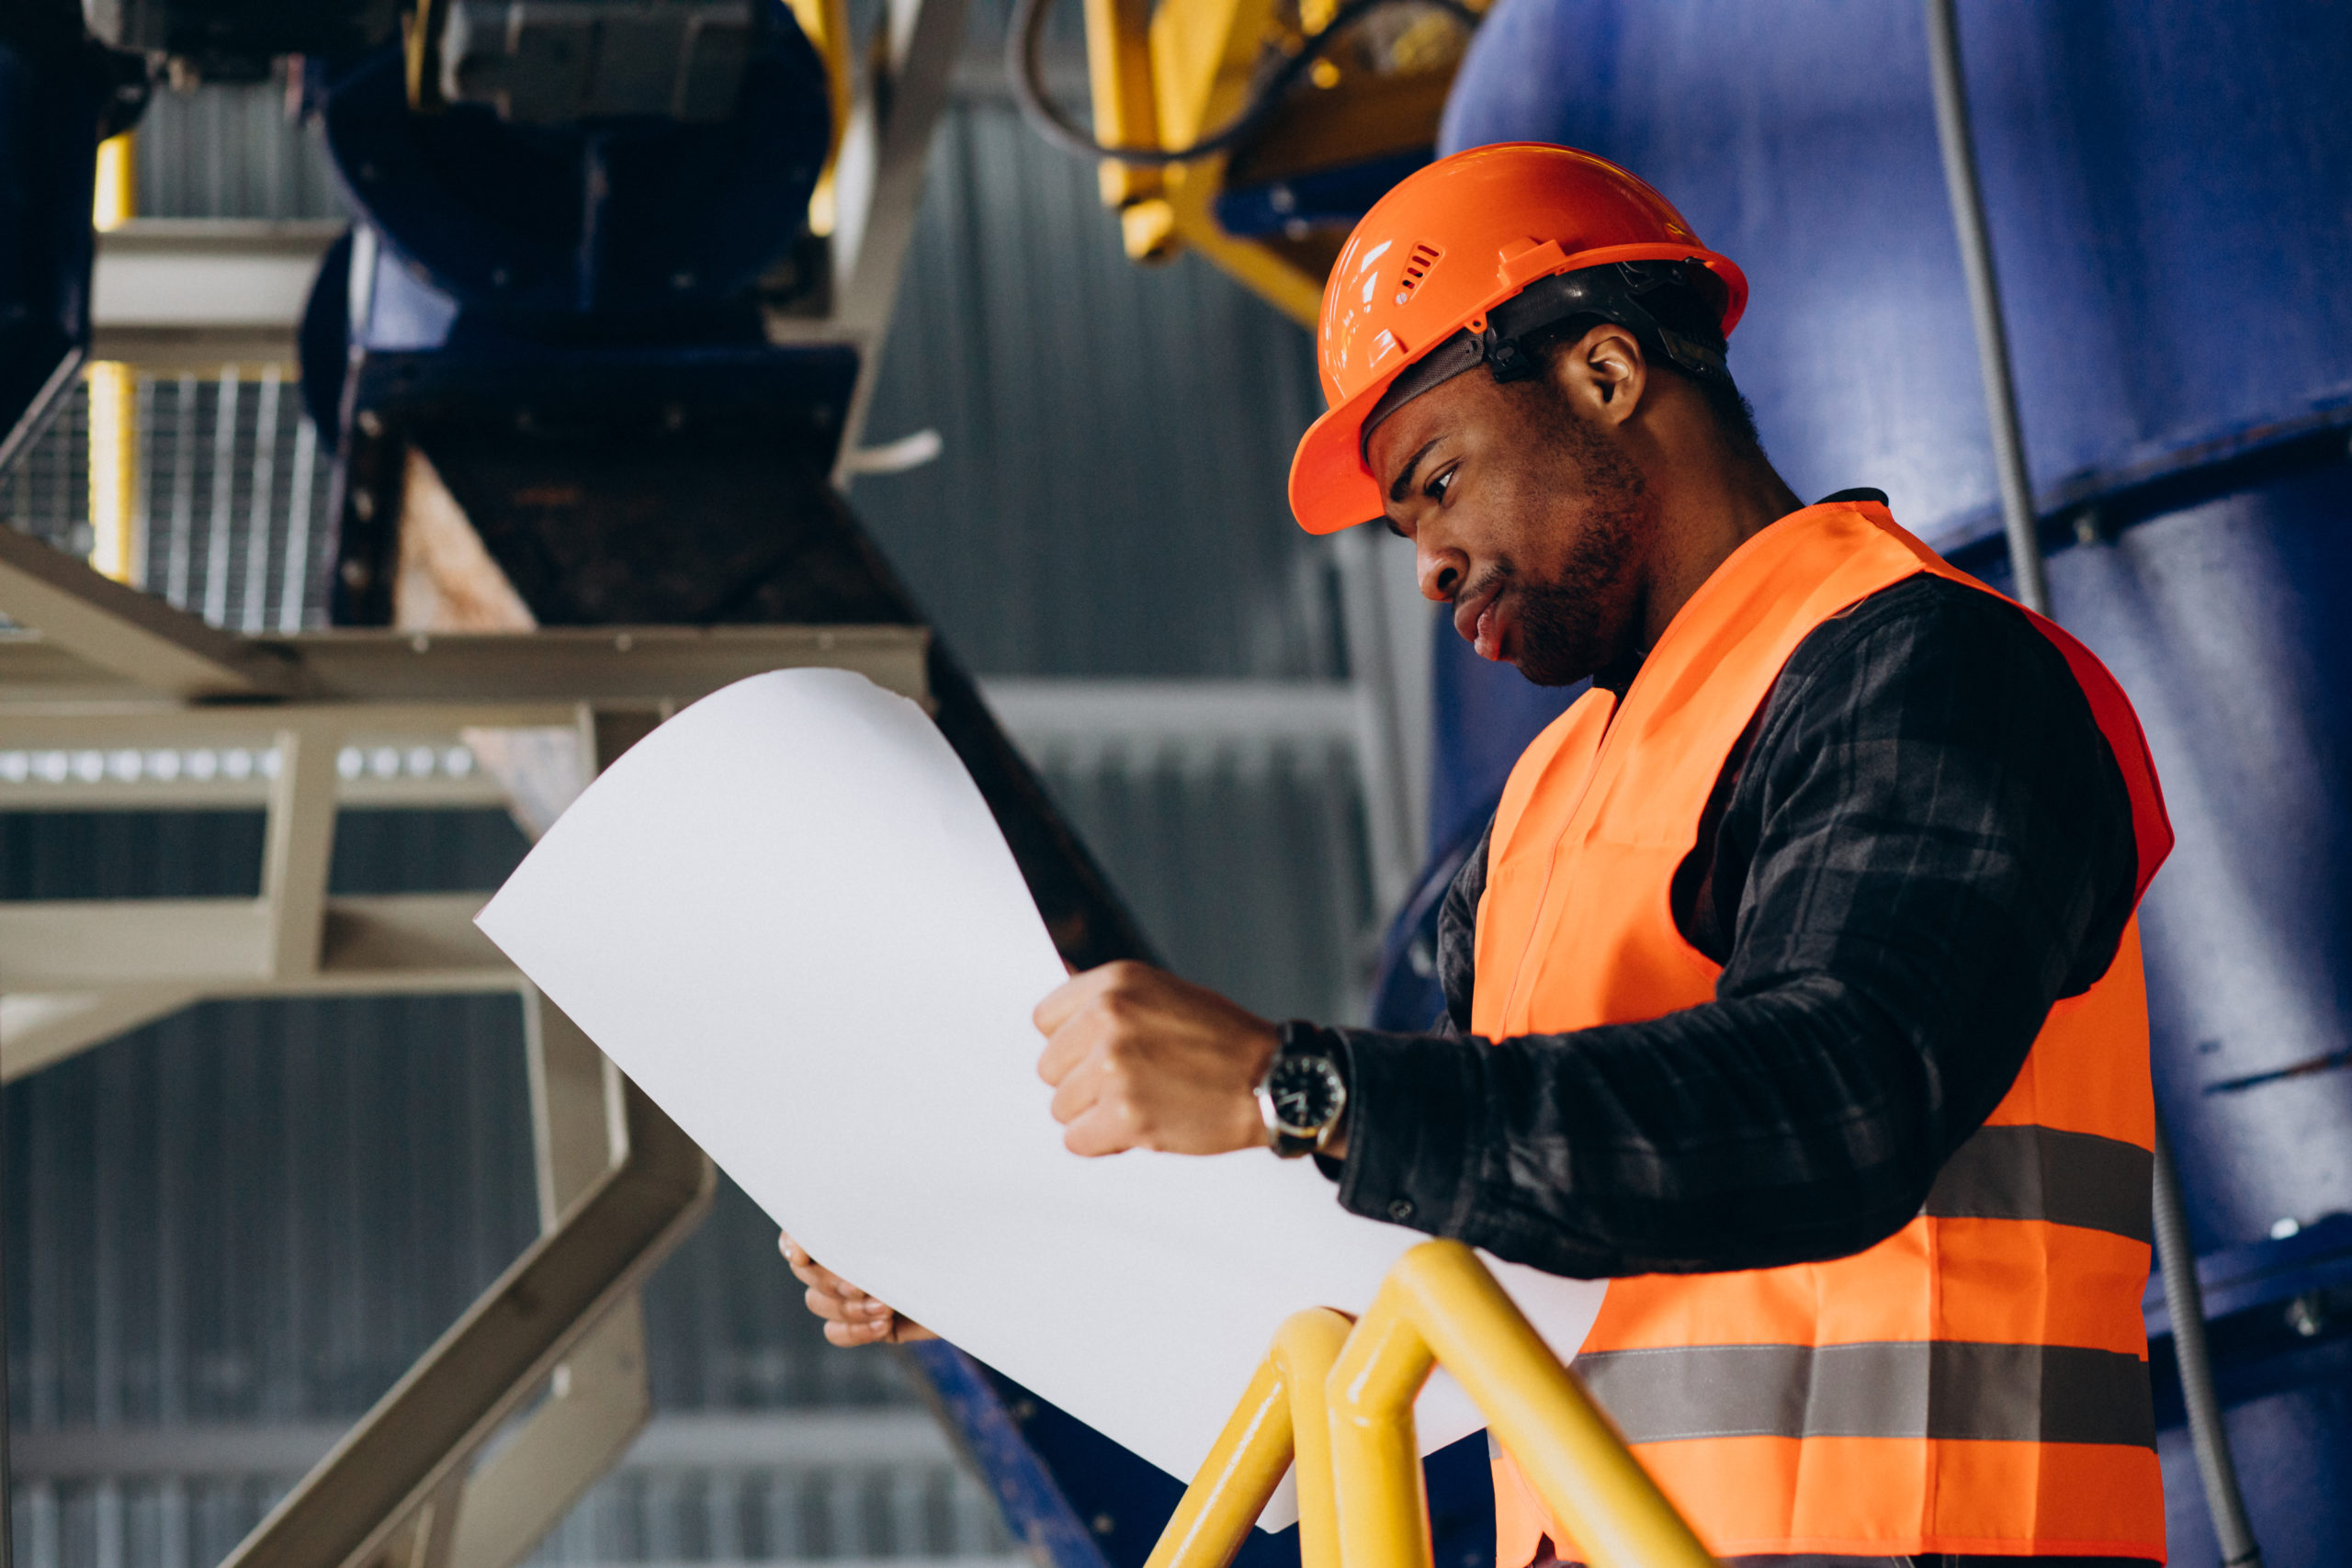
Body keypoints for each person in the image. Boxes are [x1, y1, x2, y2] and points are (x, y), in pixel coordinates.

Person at [787, 142, 2173, 1568]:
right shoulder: (1540, 812)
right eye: (1404, 527)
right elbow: (1430, 1242)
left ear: (1607, 374)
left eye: (1440, 481)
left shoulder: (1926, 672)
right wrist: (1001, 1260)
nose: (1428, 564)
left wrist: (1296, 1084)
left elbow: (1842, 1098)